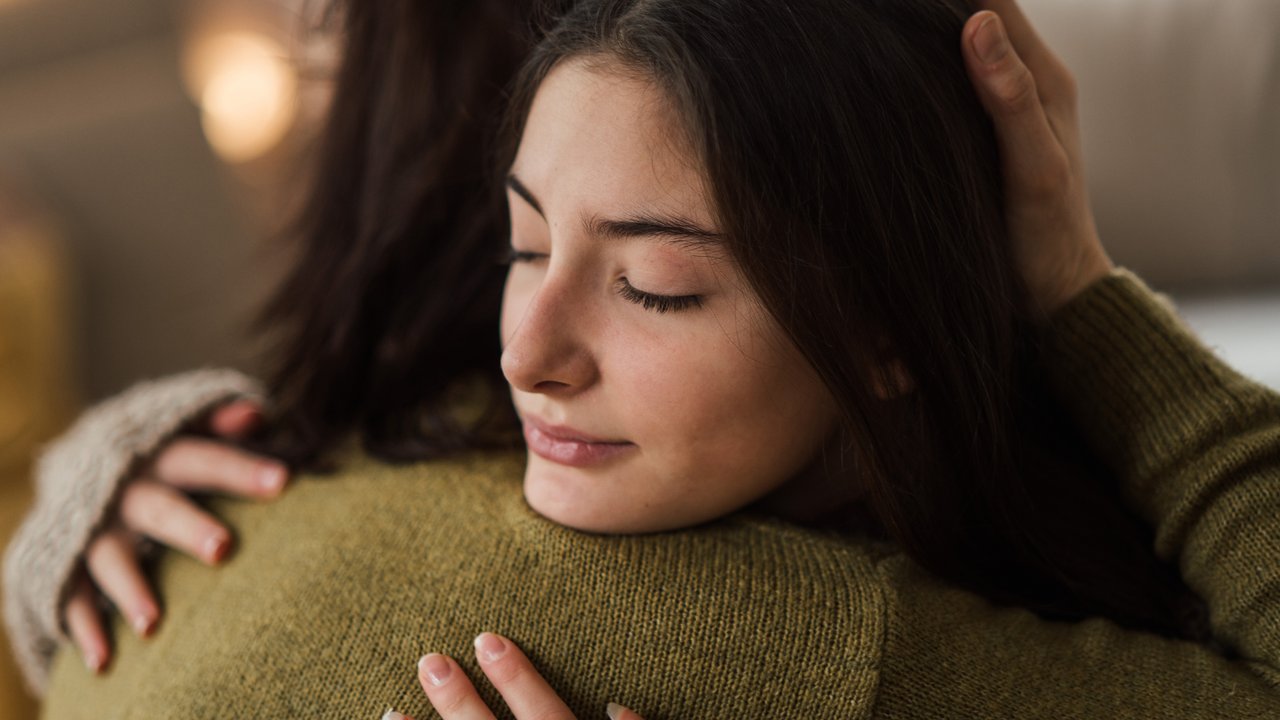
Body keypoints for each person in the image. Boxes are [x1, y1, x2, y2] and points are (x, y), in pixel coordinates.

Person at [6, 0, 1280, 717]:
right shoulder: (448, 403)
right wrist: (98, 477)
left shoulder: (856, 652)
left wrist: (1074, 288)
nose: (528, 354)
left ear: (884, 335)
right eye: (523, 246)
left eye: (654, 286)